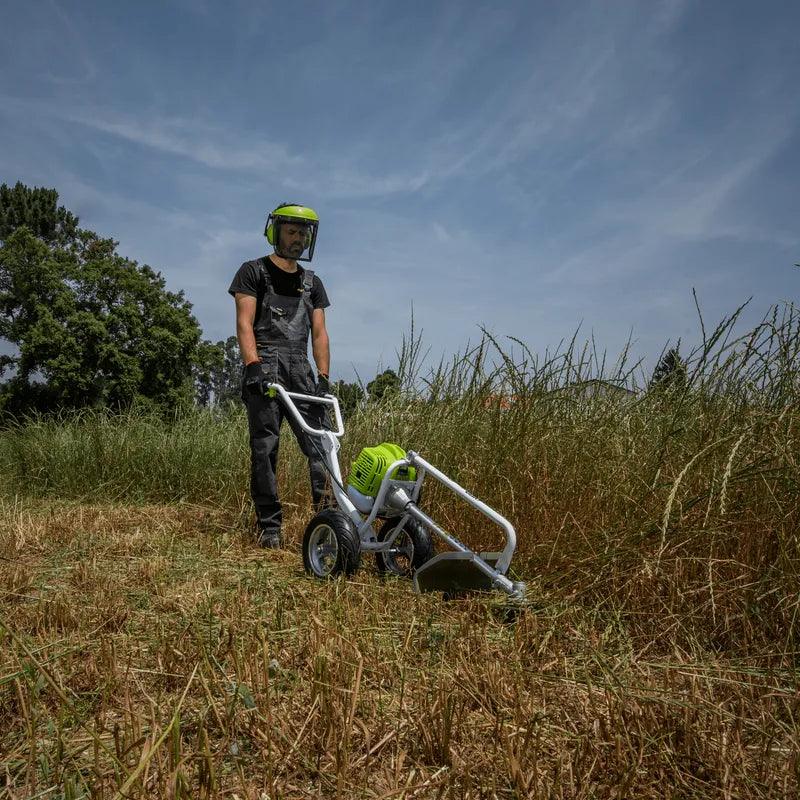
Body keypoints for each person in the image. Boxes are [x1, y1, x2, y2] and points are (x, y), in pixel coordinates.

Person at [228, 202, 331, 548]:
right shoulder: (252, 272)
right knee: (265, 449)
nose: (298, 239)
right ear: (275, 232)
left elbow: (319, 333)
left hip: (301, 369)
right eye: (292, 231)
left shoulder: (313, 283)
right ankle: (270, 527)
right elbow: (244, 323)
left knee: (322, 444)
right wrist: (252, 365)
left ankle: (328, 519)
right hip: (265, 364)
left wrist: (324, 376)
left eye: (303, 233)